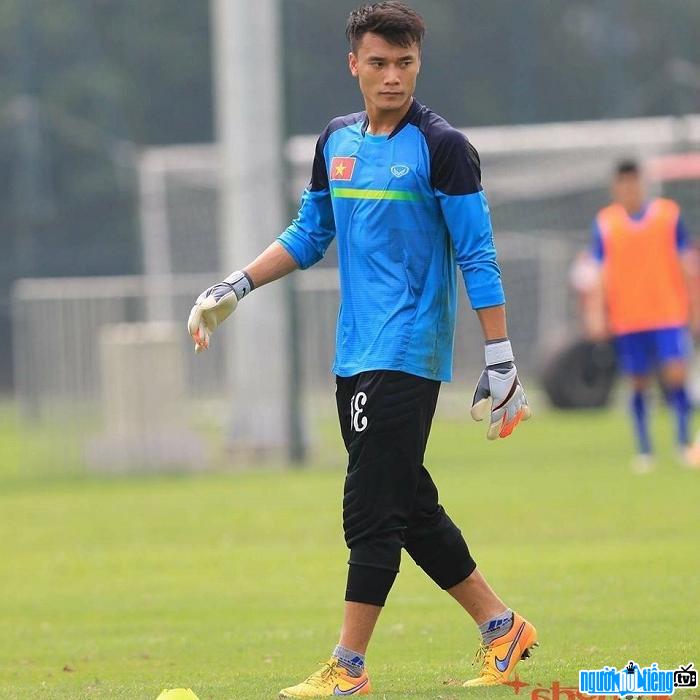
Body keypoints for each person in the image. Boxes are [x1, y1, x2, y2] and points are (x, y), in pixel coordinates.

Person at [187, 3, 535, 696]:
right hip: (353, 355)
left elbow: (479, 256)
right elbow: (310, 233)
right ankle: (502, 628)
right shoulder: (336, 142)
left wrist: (500, 357)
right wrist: (237, 284)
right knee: (407, 503)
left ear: (418, 64)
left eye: (404, 63)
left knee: (371, 511)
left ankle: (347, 668)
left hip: (409, 351)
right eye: (378, 63)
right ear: (354, 64)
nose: (392, 77)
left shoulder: (443, 147)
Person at [588, 159, 699, 472]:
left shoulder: (668, 215)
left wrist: (694, 307)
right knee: (638, 382)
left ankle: (683, 442)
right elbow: (599, 271)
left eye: (634, 183)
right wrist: (597, 313)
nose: (629, 190)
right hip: (628, 317)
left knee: (676, 374)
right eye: (623, 184)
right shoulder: (606, 222)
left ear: (642, 184)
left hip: (667, 313)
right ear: (616, 187)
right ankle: (645, 450)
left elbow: (686, 263)